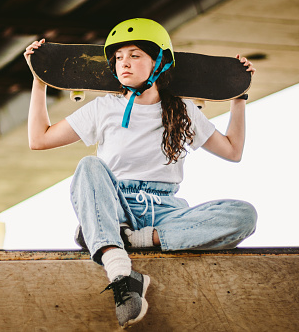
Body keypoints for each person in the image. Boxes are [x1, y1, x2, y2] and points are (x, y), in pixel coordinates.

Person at [24, 18, 257, 328]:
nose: (125, 64)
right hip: (117, 205)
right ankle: (121, 273)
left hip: (167, 214)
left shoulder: (184, 111)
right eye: (119, 58)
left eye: (134, 55)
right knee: (89, 166)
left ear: (158, 61)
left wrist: (238, 97)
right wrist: (40, 80)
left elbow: (232, 151)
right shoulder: (105, 107)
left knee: (244, 215)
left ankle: (127, 239)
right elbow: (39, 139)